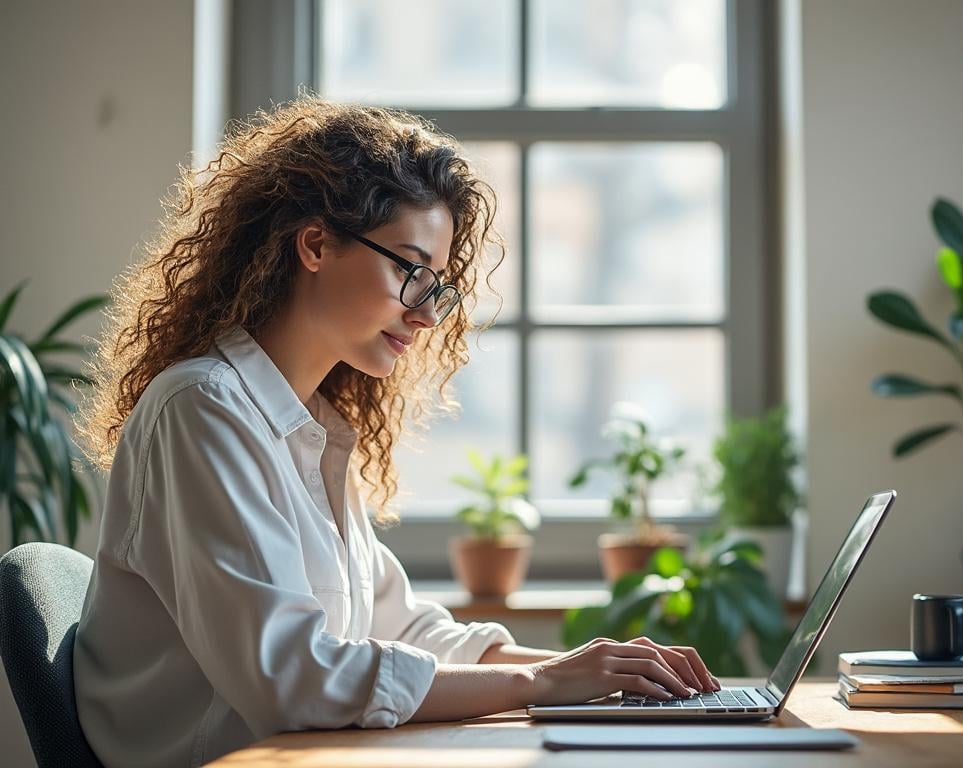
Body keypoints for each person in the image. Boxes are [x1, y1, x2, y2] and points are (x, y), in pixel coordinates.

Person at [72, 96, 719, 768]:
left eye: (436, 286)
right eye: (410, 270)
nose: (426, 315)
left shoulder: (313, 429)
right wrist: (543, 683)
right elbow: (291, 677)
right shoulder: (201, 408)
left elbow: (405, 630)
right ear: (316, 244)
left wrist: (598, 674)